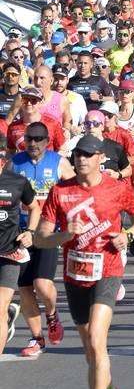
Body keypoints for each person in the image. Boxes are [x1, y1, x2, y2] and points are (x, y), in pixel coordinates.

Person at [35, 133, 134, 389]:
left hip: (108, 271)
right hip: (75, 276)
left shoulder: (115, 188)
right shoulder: (61, 192)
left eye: (88, 154)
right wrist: (63, 235)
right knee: (90, 349)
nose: (82, 159)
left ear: (100, 157)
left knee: (99, 341)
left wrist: (128, 234)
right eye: (77, 155)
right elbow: (40, 237)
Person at [11, 122, 75, 357]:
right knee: (25, 288)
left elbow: (74, 191)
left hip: (48, 232)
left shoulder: (58, 162)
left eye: (38, 139)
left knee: (42, 285)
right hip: (20, 232)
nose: (33, 143)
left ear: (47, 141)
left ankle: (51, 314)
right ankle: (36, 338)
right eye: (29, 138)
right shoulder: (14, 163)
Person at [0, 137, 40, 357]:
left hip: (9, 252)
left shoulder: (16, 182)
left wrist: (30, 232)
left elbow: (35, 208)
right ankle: (7, 318)